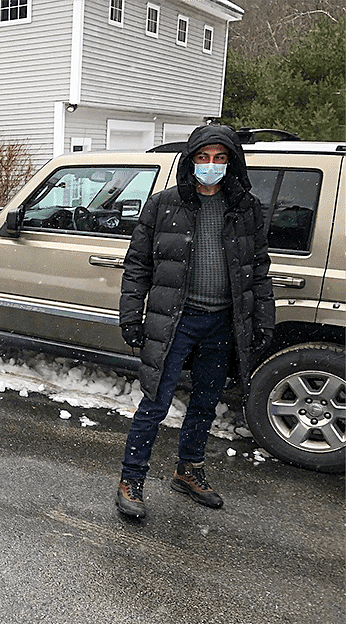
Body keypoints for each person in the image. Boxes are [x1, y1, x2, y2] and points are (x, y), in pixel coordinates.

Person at [115, 124, 274, 519]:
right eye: (203, 158)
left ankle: (188, 469)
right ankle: (131, 478)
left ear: (232, 163)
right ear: (190, 161)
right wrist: (131, 315)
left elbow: (258, 271)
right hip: (175, 320)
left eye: (220, 158)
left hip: (223, 323)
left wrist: (262, 322)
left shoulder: (246, 208)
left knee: (205, 402)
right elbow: (138, 265)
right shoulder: (164, 205)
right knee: (155, 402)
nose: (211, 165)